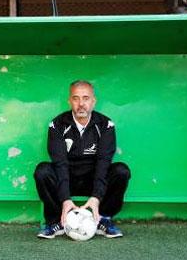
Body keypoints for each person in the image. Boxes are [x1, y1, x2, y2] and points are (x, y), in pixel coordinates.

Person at [34, 80, 130, 239]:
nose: (81, 104)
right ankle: (57, 221)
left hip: (93, 181)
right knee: (43, 171)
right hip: (66, 180)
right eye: (76, 98)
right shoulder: (57, 125)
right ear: (69, 101)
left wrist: (96, 197)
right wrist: (65, 198)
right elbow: (60, 163)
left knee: (121, 171)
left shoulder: (105, 124)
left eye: (85, 98)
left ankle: (103, 218)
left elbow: (103, 162)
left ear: (93, 101)